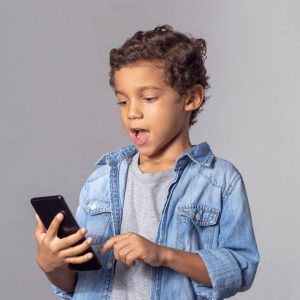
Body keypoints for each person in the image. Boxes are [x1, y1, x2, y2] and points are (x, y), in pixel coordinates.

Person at [34, 25, 259, 300]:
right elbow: (76, 284)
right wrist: (51, 265)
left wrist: (163, 254)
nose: (132, 113)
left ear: (191, 98)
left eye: (148, 98)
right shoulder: (100, 181)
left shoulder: (220, 181)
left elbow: (241, 268)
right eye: (122, 101)